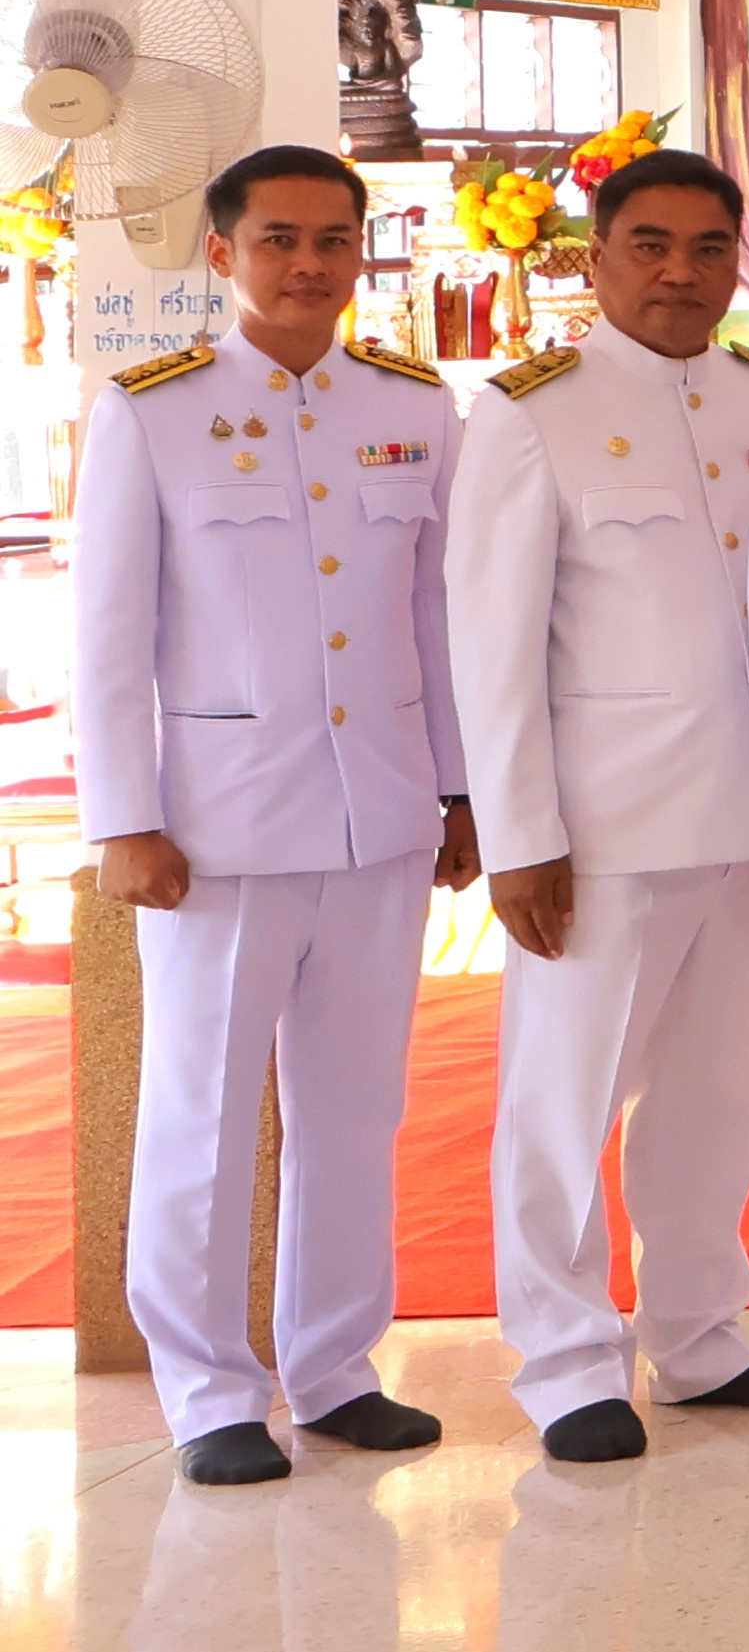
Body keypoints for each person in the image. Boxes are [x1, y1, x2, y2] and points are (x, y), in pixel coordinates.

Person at [83, 146, 479, 1487]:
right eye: (278, 239)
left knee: (355, 1111)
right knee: (200, 1112)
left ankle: (335, 1365)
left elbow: (437, 615)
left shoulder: (413, 407)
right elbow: (109, 635)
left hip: (379, 817)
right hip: (219, 831)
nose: (309, 263)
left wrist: (459, 786)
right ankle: (208, 1387)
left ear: (363, 249)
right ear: (223, 254)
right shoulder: (154, 412)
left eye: (332, 239)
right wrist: (123, 815)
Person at [455, 148, 749, 1458]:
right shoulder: (532, 412)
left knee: (718, 1094)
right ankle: (565, 1360)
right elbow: (492, 644)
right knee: (566, 1098)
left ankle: (698, 1333)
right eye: (651, 245)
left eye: (709, 247)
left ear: (739, 261)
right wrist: (521, 835)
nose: (681, 272)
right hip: (604, 829)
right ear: (599, 255)